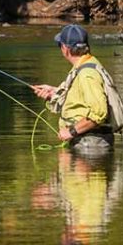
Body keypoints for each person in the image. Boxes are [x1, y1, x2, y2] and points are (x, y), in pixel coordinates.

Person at [31, 24, 114, 155]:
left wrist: (71, 132)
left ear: (66, 49)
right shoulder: (84, 65)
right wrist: (53, 93)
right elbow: (80, 97)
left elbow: (99, 112)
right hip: (86, 143)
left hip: (90, 146)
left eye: (60, 45)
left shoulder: (87, 74)